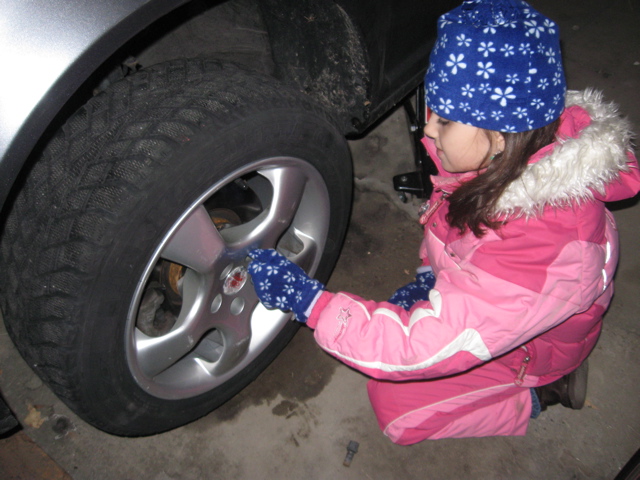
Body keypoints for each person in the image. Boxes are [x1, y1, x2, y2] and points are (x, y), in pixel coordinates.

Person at [248, 0, 640, 445]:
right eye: (431, 109)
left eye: (446, 119)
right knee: (404, 323)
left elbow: (418, 349)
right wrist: (429, 274)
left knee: (398, 410)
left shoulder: (542, 252)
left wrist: (312, 306)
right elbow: (455, 230)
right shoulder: (503, 160)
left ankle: (544, 393)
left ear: (503, 134)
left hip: (528, 349)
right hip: (500, 298)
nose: (426, 131)